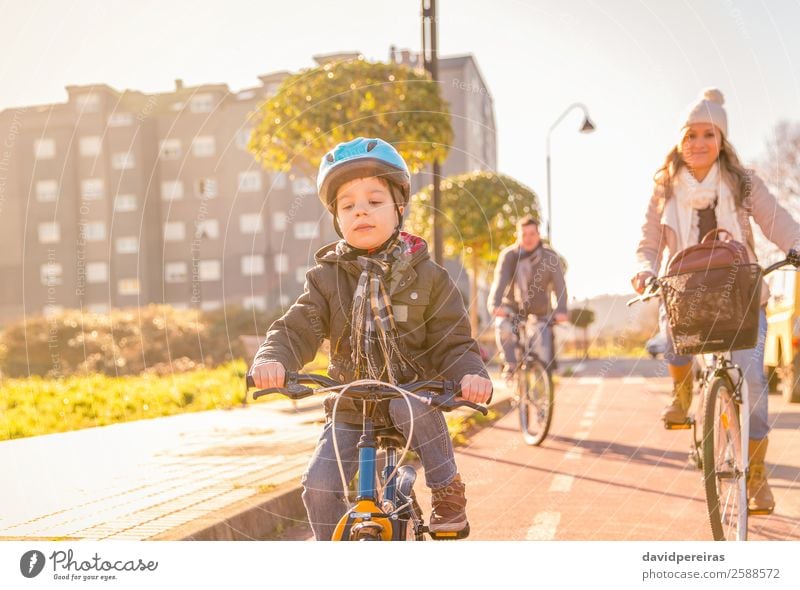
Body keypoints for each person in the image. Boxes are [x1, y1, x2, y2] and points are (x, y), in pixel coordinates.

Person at [250, 137, 493, 540]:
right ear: (337, 219)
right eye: (348, 205)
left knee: (406, 404)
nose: (360, 209)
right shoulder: (325, 279)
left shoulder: (431, 278)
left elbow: (455, 342)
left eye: (374, 200)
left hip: (415, 393)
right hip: (350, 403)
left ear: (399, 209)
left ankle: (447, 490)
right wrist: (272, 360)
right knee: (319, 486)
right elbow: (297, 327)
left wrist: (471, 375)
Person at [632, 88, 800, 514]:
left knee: (754, 382)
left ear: (722, 140)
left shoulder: (744, 182)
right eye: (691, 135)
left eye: (709, 134)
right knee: (671, 329)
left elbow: (775, 218)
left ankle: (757, 476)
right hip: (687, 296)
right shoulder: (664, 189)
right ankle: (683, 395)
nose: (699, 143)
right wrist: (644, 267)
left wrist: (796, 243)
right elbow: (649, 241)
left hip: (741, 295)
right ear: (680, 141)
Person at [487, 216, 568, 379]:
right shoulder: (509, 256)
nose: (528, 238)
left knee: (542, 348)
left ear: (539, 234)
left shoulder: (550, 257)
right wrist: (495, 305)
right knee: (504, 327)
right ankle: (510, 365)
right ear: (518, 236)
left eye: (532, 234)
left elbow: (560, 286)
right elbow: (500, 282)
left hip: (539, 311)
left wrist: (561, 310)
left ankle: (541, 386)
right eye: (524, 234)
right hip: (513, 308)